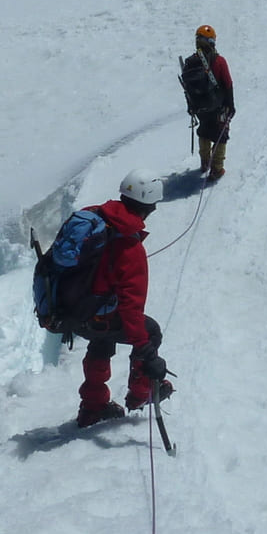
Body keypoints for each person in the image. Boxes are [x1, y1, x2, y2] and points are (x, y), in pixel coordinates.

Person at [74, 169, 174, 428]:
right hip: (95, 315)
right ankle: (142, 393)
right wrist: (147, 353)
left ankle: (92, 406)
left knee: (102, 335)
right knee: (149, 331)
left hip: (72, 311)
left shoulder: (94, 215)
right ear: (149, 207)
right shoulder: (130, 248)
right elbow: (131, 310)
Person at [180, 24, 235, 181]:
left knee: (204, 131)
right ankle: (216, 169)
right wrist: (231, 105)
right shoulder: (219, 61)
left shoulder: (190, 62)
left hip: (199, 107)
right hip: (218, 106)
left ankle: (205, 162)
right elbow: (228, 83)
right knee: (220, 135)